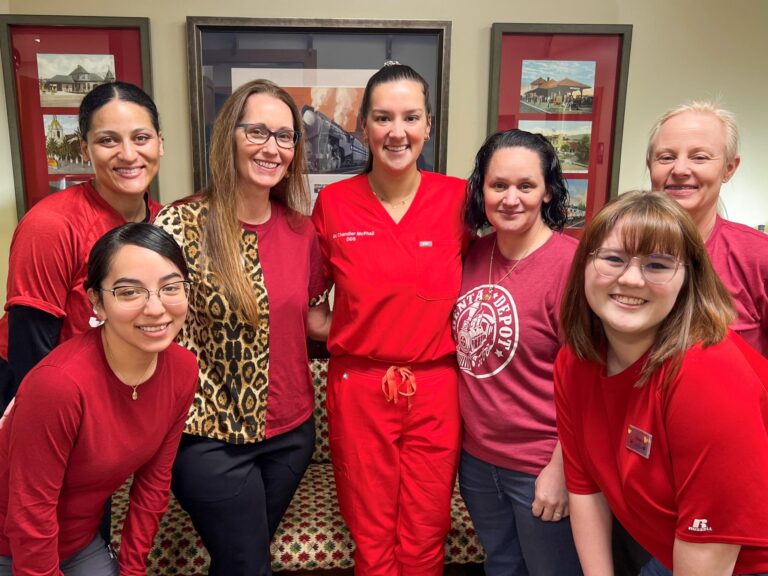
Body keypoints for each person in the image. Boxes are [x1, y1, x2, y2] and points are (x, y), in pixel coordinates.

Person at [154, 79, 329, 576]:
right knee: (248, 564)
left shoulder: (301, 231)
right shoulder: (181, 225)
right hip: (209, 437)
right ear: (229, 134)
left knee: (237, 562)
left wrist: (397, 323)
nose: (272, 147)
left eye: (285, 136)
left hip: (292, 434)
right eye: (257, 131)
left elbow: (313, 318)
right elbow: (145, 321)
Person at [555, 191, 768, 576]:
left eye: (657, 265)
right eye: (613, 259)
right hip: (676, 546)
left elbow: (713, 552)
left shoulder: (709, 376)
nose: (631, 279)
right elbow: (585, 485)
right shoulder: (575, 361)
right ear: (584, 264)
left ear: (689, 279)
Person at [311, 62, 467, 576]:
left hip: (436, 387)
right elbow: (311, 306)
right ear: (363, 128)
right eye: (382, 118)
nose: (396, 132)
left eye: (410, 117)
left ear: (428, 126)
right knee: (372, 535)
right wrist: (361, 337)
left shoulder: (458, 200)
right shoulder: (333, 204)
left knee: (426, 531)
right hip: (360, 388)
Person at [0, 222, 198, 575]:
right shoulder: (59, 385)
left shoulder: (182, 369)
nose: (155, 309)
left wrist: (132, 570)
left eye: (171, 287)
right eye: (129, 292)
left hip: (77, 541)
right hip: (10, 546)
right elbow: (30, 514)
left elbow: (153, 485)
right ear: (97, 302)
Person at [453, 129, 581, 576]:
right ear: (481, 189)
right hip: (477, 462)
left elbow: (591, 382)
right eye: (499, 185)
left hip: (541, 464)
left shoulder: (573, 265)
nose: (511, 199)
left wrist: (562, 471)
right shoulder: (471, 255)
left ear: (547, 191)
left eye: (526, 186)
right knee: (503, 567)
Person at [0, 81, 164, 411]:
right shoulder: (51, 224)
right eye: (108, 140)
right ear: (86, 149)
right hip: (38, 389)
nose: (129, 154)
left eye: (141, 138)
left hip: (115, 389)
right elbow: (31, 349)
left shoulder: (166, 222)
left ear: (160, 144)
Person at [647, 101, 768, 356]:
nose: (680, 169)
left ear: (729, 168)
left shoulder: (757, 257)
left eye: (699, 157)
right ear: (650, 165)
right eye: (666, 157)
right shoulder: (617, 251)